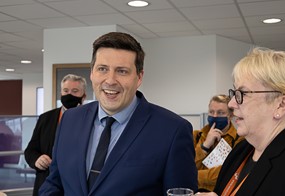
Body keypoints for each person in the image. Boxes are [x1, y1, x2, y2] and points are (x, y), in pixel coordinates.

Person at [39, 32, 198, 195]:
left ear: (139, 77)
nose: (110, 80)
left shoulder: (172, 130)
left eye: (122, 71)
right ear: (92, 73)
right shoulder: (70, 119)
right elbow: (54, 183)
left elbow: (180, 192)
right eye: (102, 69)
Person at [196, 47, 285, 196]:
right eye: (234, 93)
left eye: (243, 94)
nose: (232, 104)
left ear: (281, 105)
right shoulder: (241, 150)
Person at [24, 74, 87, 196]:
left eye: (75, 91)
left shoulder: (92, 120)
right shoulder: (45, 118)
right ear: (61, 93)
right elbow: (30, 150)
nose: (69, 94)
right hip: (46, 185)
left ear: (84, 96)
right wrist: (37, 159)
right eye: (65, 90)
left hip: (77, 187)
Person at [193, 94, 243, 192]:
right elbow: (186, 165)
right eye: (211, 112)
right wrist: (204, 146)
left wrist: (192, 174)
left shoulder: (239, 140)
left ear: (231, 115)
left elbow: (228, 172)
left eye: (220, 113)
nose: (215, 116)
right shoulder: (195, 136)